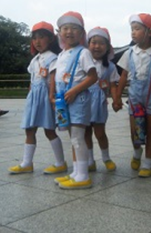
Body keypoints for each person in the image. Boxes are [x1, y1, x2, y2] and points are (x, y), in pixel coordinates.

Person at [114, 13, 151, 178]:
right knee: (134, 130)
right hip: (135, 95)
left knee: (150, 129)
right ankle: (137, 152)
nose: (133, 32)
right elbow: (124, 76)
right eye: (132, 29)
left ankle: (147, 164)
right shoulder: (130, 53)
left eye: (137, 29)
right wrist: (117, 98)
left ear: (149, 32)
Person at [8, 22, 66, 175]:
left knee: (49, 130)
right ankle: (27, 163)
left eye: (42, 37)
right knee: (29, 130)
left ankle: (60, 163)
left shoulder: (53, 58)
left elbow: (53, 78)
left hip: (46, 97)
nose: (38, 41)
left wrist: (51, 97)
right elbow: (33, 79)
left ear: (51, 39)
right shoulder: (35, 59)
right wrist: (30, 93)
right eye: (34, 38)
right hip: (34, 97)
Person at [51, 11, 98, 189]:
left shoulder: (83, 52)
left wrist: (75, 90)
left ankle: (83, 176)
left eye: (73, 28)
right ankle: (77, 172)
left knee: (78, 137)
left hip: (78, 99)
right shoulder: (62, 54)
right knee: (73, 137)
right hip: (65, 100)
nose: (69, 32)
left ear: (81, 33)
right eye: (64, 28)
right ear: (59, 32)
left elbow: (93, 77)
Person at [85, 27, 120, 172]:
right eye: (94, 43)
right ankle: (89, 160)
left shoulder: (110, 67)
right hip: (84, 101)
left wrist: (116, 99)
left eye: (101, 43)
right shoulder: (84, 63)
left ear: (107, 48)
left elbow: (113, 86)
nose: (97, 46)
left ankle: (106, 158)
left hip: (99, 104)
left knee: (100, 133)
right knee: (86, 132)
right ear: (88, 45)